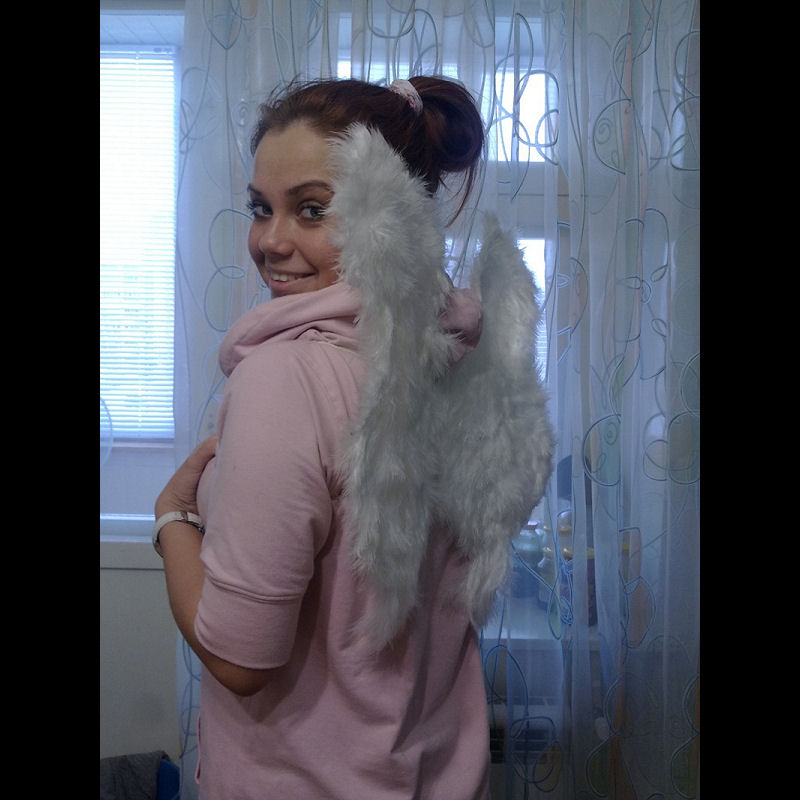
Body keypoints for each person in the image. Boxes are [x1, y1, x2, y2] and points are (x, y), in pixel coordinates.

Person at [154, 76, 554, 799]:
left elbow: (241, 661)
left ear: (390, 216)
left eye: (312, 209)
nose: (271, 241)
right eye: (260, 208)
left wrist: (172, 520)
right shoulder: (460, 366)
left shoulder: (286, 379)